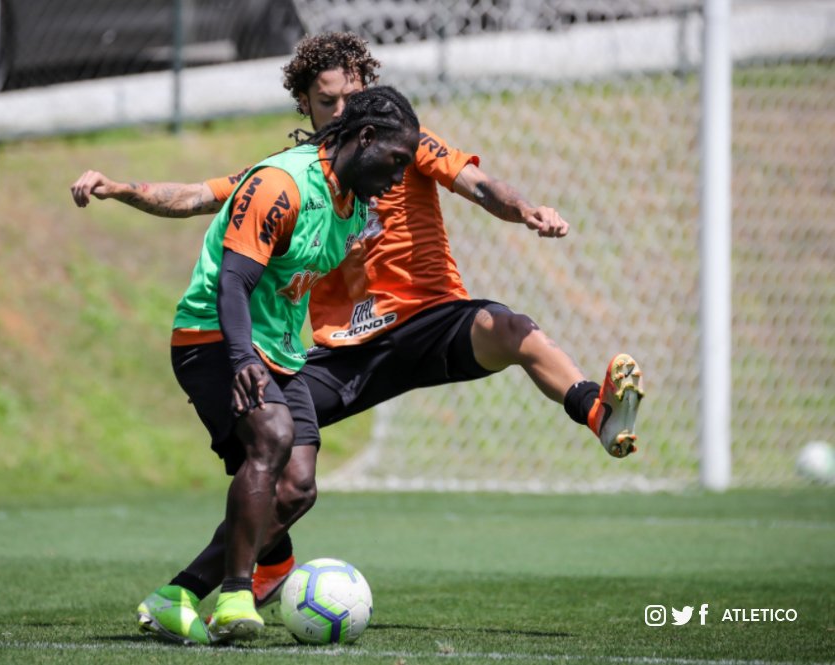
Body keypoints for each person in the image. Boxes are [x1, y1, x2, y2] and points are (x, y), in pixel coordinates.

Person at [71, 32, 643, 642]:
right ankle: (255, 571)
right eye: (328, 102)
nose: (343, 112)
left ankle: (595, 410)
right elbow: (199, 198)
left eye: (352, 97)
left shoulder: (402, 141)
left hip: (426, 318)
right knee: (276, 459)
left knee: (510, 330)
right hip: (333, 346)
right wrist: (122, 189)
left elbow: (479, 184)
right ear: (307, 106)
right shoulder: (290, 179)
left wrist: (524, 209)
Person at [126, 85, 420, 645]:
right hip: (214, 336)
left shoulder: (355, 208)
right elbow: (233, 282)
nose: (400, 176)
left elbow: (321, 282)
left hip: (280, 351)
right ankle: (237, 595)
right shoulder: (281, 185)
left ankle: (176, 596)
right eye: (396, 160)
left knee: (299, 488)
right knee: (272, 436)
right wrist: (241, 358)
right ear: (365, 138)